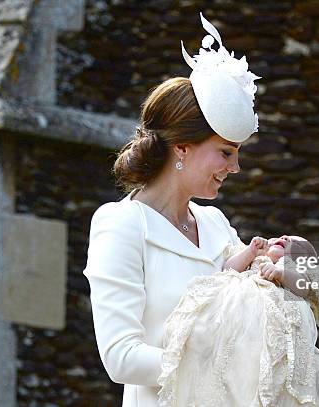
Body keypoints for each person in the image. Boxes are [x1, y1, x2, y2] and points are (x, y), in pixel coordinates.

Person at [83, 13, 262, 406]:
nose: (234, 168)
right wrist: (214, 367)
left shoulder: (216, 224)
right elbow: (120, 357)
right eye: (225, 152)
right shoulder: (122, 224)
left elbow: (242, 312)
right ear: (182, 147)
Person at [158, 236, 319, 406]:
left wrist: (281, 274)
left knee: (265, 363)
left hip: (266, 326)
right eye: (282, 237)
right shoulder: (256, 258)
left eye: (295, 243)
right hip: (233, 315)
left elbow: (303, 288)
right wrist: (250, 252)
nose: (285, 238)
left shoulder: (292, 270)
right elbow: (228, 268)